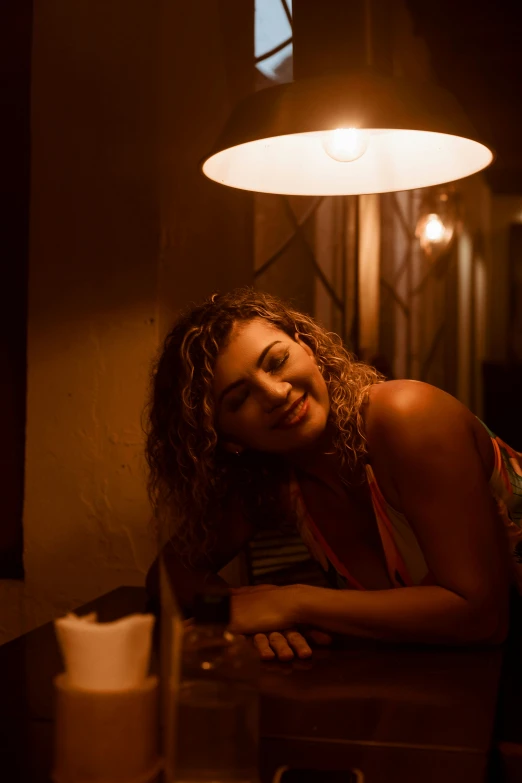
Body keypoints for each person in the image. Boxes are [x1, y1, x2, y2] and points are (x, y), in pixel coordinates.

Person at [145, 287, 522, 661]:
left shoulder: (408, 416)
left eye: (276, 361)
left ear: (307, 348)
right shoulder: (272, 479)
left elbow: (483, 617)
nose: (275, 393)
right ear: (225, 439)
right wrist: (240, 612)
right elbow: (172, 572)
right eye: (239, 399)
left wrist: (292, 602)